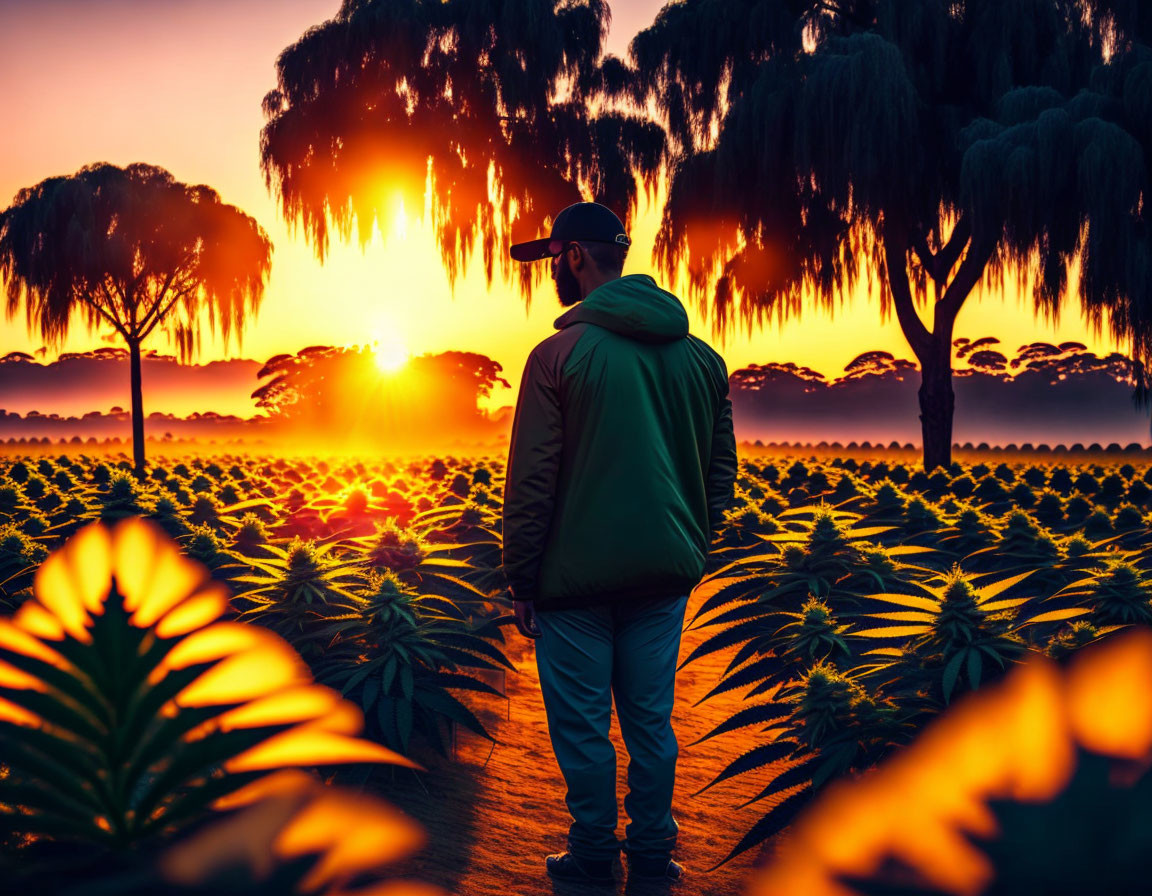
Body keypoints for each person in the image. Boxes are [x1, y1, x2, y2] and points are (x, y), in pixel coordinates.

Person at [501, 200, 738, 888]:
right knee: (650, 723)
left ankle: (594, 854)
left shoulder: (556, 356)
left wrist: (522, 578)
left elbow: (533, 480)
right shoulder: (703, 359)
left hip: (572, 585)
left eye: (551, 258)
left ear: (573, 257)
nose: (551, 272)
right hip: (663, 576)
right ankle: (656, 856)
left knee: (582, 729)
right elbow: (721, 473)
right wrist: (690, 545)